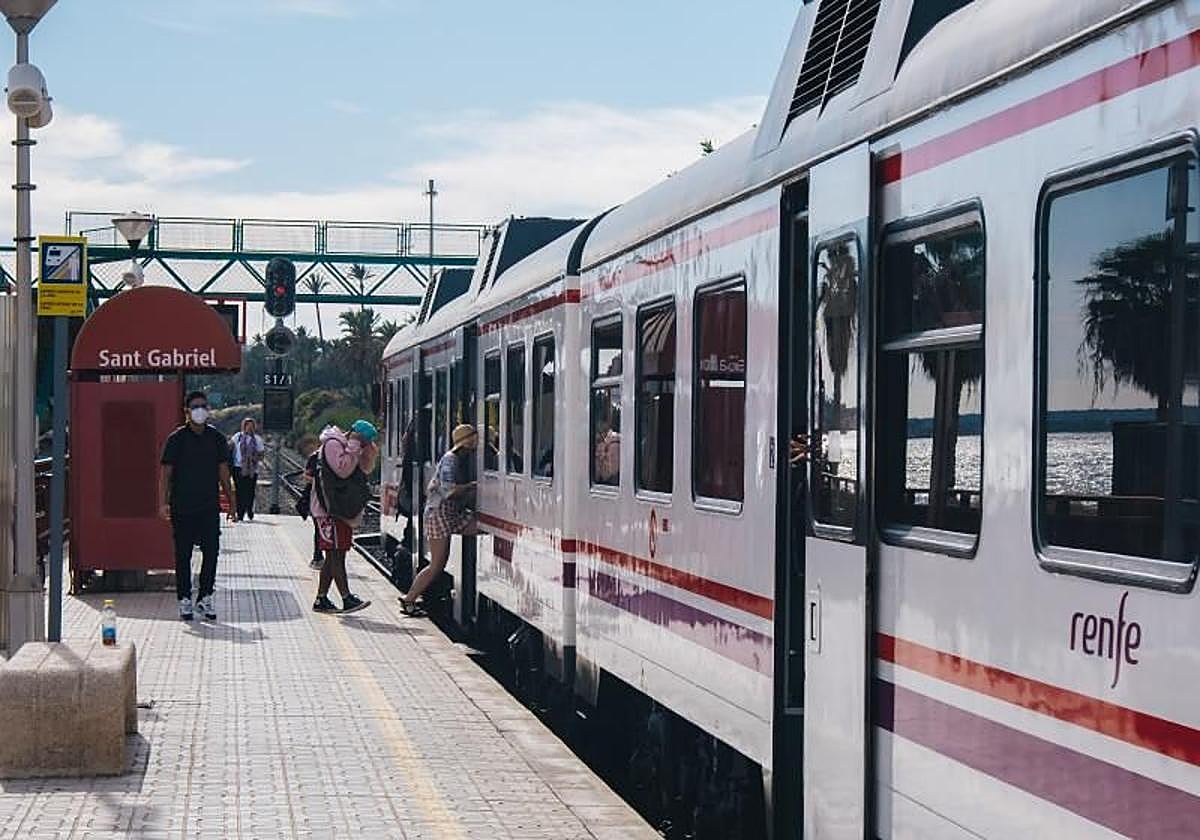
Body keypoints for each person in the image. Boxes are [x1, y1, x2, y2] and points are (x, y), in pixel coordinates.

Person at [160, 390, 236, 622]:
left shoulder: (216, 439)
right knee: (182, 556)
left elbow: (224, 472)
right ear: (186, 412)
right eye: (195, 406)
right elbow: (166, 474)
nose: (200, 410)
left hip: (208, 507)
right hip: (182, 507)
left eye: (203, 406)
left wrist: (232, 501)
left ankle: (205, 596)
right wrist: (163, 503)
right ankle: (184, 599)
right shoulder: (176, 439)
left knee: (211, 553)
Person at [400, 423, 478, 617]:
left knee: (480, 526)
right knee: (437, 565)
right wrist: (471, 487)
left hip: (447, 514)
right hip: (439, 514)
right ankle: (409, 599)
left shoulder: (454, 459)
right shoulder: (451, 460)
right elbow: (448, 490)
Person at [310, 420, 378, 614]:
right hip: (329, 510)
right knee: (336, 554)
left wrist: (366, 451)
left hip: (339, 510)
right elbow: (343, 470)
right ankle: (347, 598)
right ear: (356, 435)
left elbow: (364, 469)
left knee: (334, 555)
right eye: (364, 441)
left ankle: (321, 599)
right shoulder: (333, 444)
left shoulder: (345, 446)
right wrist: (355, 445)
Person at [295, 434, 323, 569]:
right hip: (316, 496)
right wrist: (319, 482)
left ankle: (324, 557)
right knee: (318, 528)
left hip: (332, 498)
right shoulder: (315, 457)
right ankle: (317, 556)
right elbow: (306, 475)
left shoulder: (337, 457)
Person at [229, 417, 265, 522]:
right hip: (238, 467)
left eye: (251, 426)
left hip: (252, 469)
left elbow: (262, 454)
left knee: (250, 491)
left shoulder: (257, 439)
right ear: (243, 426)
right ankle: (240, 513)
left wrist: (254, 458)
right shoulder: (237, 437)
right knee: (239, 491)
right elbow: (229, 447)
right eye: (247, 425)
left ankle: (249, 509)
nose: (249, 428)